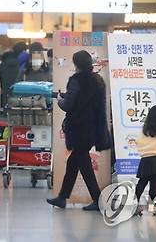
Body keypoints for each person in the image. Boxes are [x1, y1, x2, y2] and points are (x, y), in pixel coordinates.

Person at [47, 50, 110, 211]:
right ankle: (62, 197)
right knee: (75, 161)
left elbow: (68, 104)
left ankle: (97, 199)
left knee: (83, 163)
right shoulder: (98, 80)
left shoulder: (76, 80)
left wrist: (61, 99)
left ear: (76, 64)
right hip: (92, 127)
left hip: (79, 127)